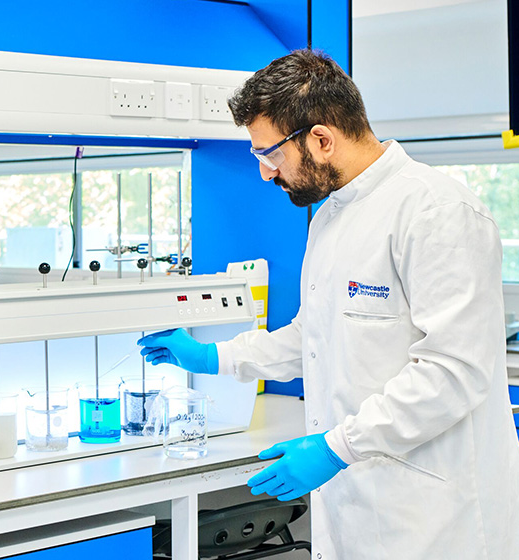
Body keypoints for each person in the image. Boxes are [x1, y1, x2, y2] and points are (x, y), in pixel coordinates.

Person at [138, 49, 519, 559]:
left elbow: (453, 371)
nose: (266, 174)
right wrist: (215, 358)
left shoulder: (437, 212)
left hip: (434, 518)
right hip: (357, 505)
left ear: (321, 138)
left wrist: (336, 448)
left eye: (269, 154)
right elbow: (315, 335)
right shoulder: (331, 217)